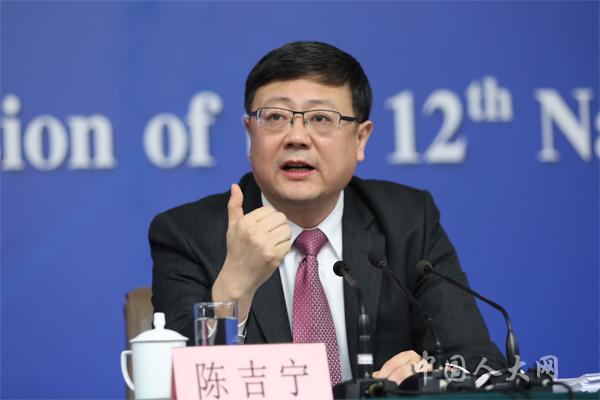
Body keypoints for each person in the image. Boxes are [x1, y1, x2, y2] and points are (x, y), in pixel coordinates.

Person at [150, 41, 505, 386]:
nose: (297, 137)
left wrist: (425, 379)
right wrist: (233, 289)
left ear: (360, 139)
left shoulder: (409, 222)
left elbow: (477, 361)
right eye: (275, 117)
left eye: (321, 118)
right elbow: (172, 385)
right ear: (250, 134)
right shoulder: (188, 235)